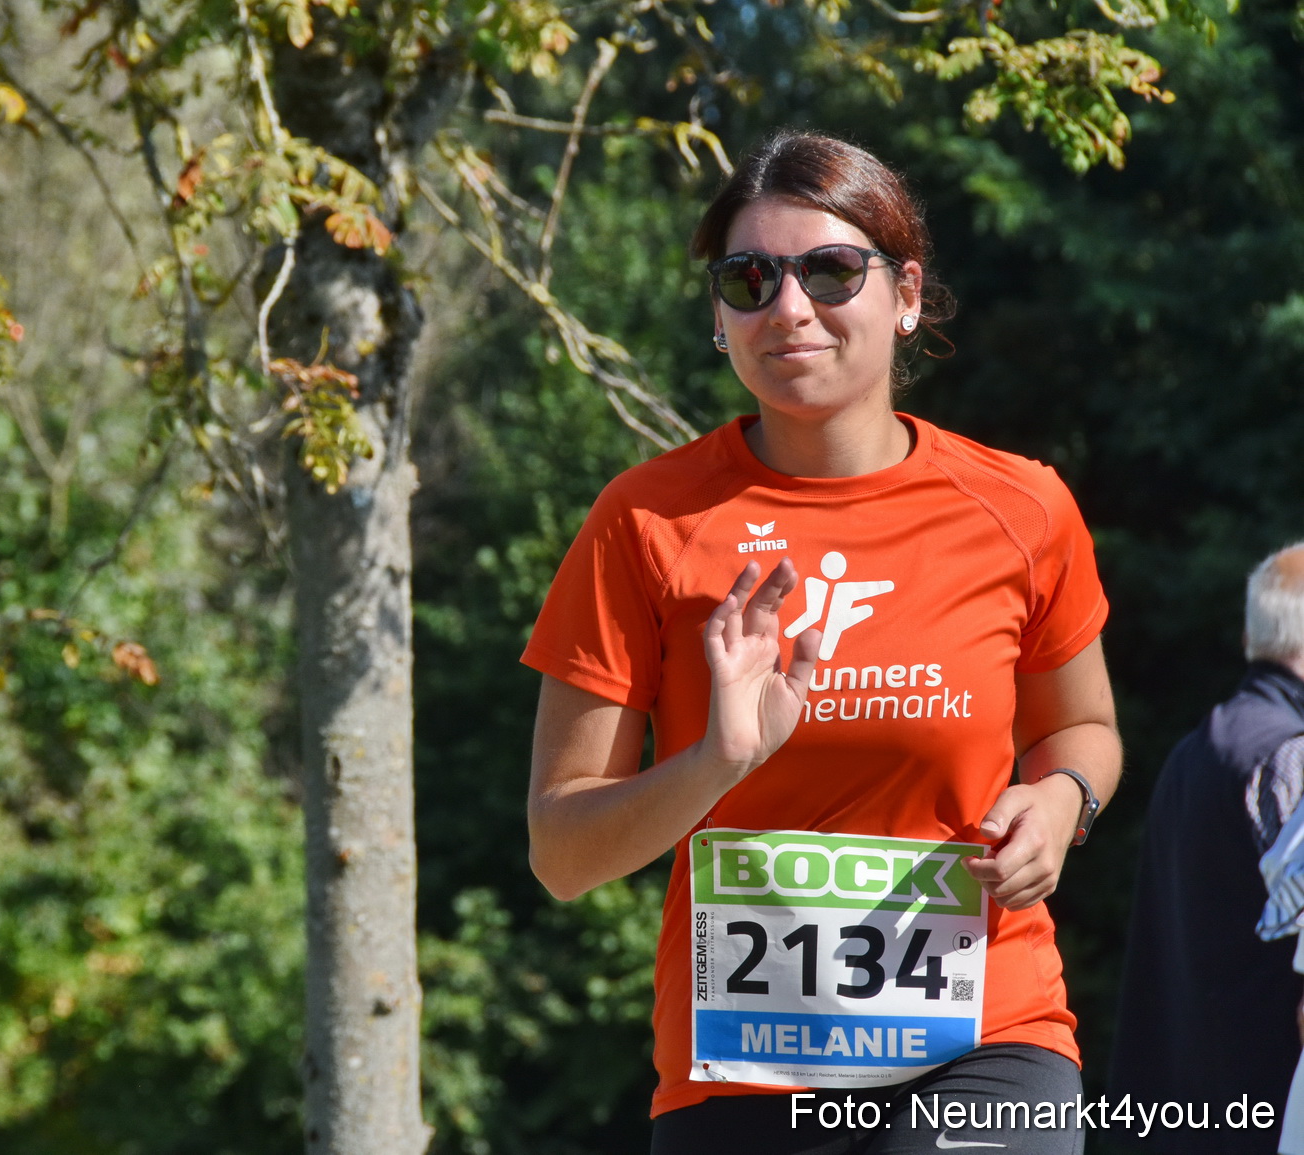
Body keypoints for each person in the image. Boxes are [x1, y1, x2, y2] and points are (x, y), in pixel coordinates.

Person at [521, 131, 1121, 1155]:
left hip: (986, 1045)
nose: (787, 309)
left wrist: (1062, 802)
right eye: (747, 279)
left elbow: (1085, 729)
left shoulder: (1021, 507)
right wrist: (715, 762)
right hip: (741, 1077)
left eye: (830, 271)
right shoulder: (645, 523)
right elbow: (562, 854)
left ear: (906, 293)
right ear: (719, 316)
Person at [1107, 543, 1304, 1152]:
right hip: (1263, 1116)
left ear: (1253, 631)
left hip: (1177, 1113)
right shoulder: (1290, 755)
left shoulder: (1196, 748)